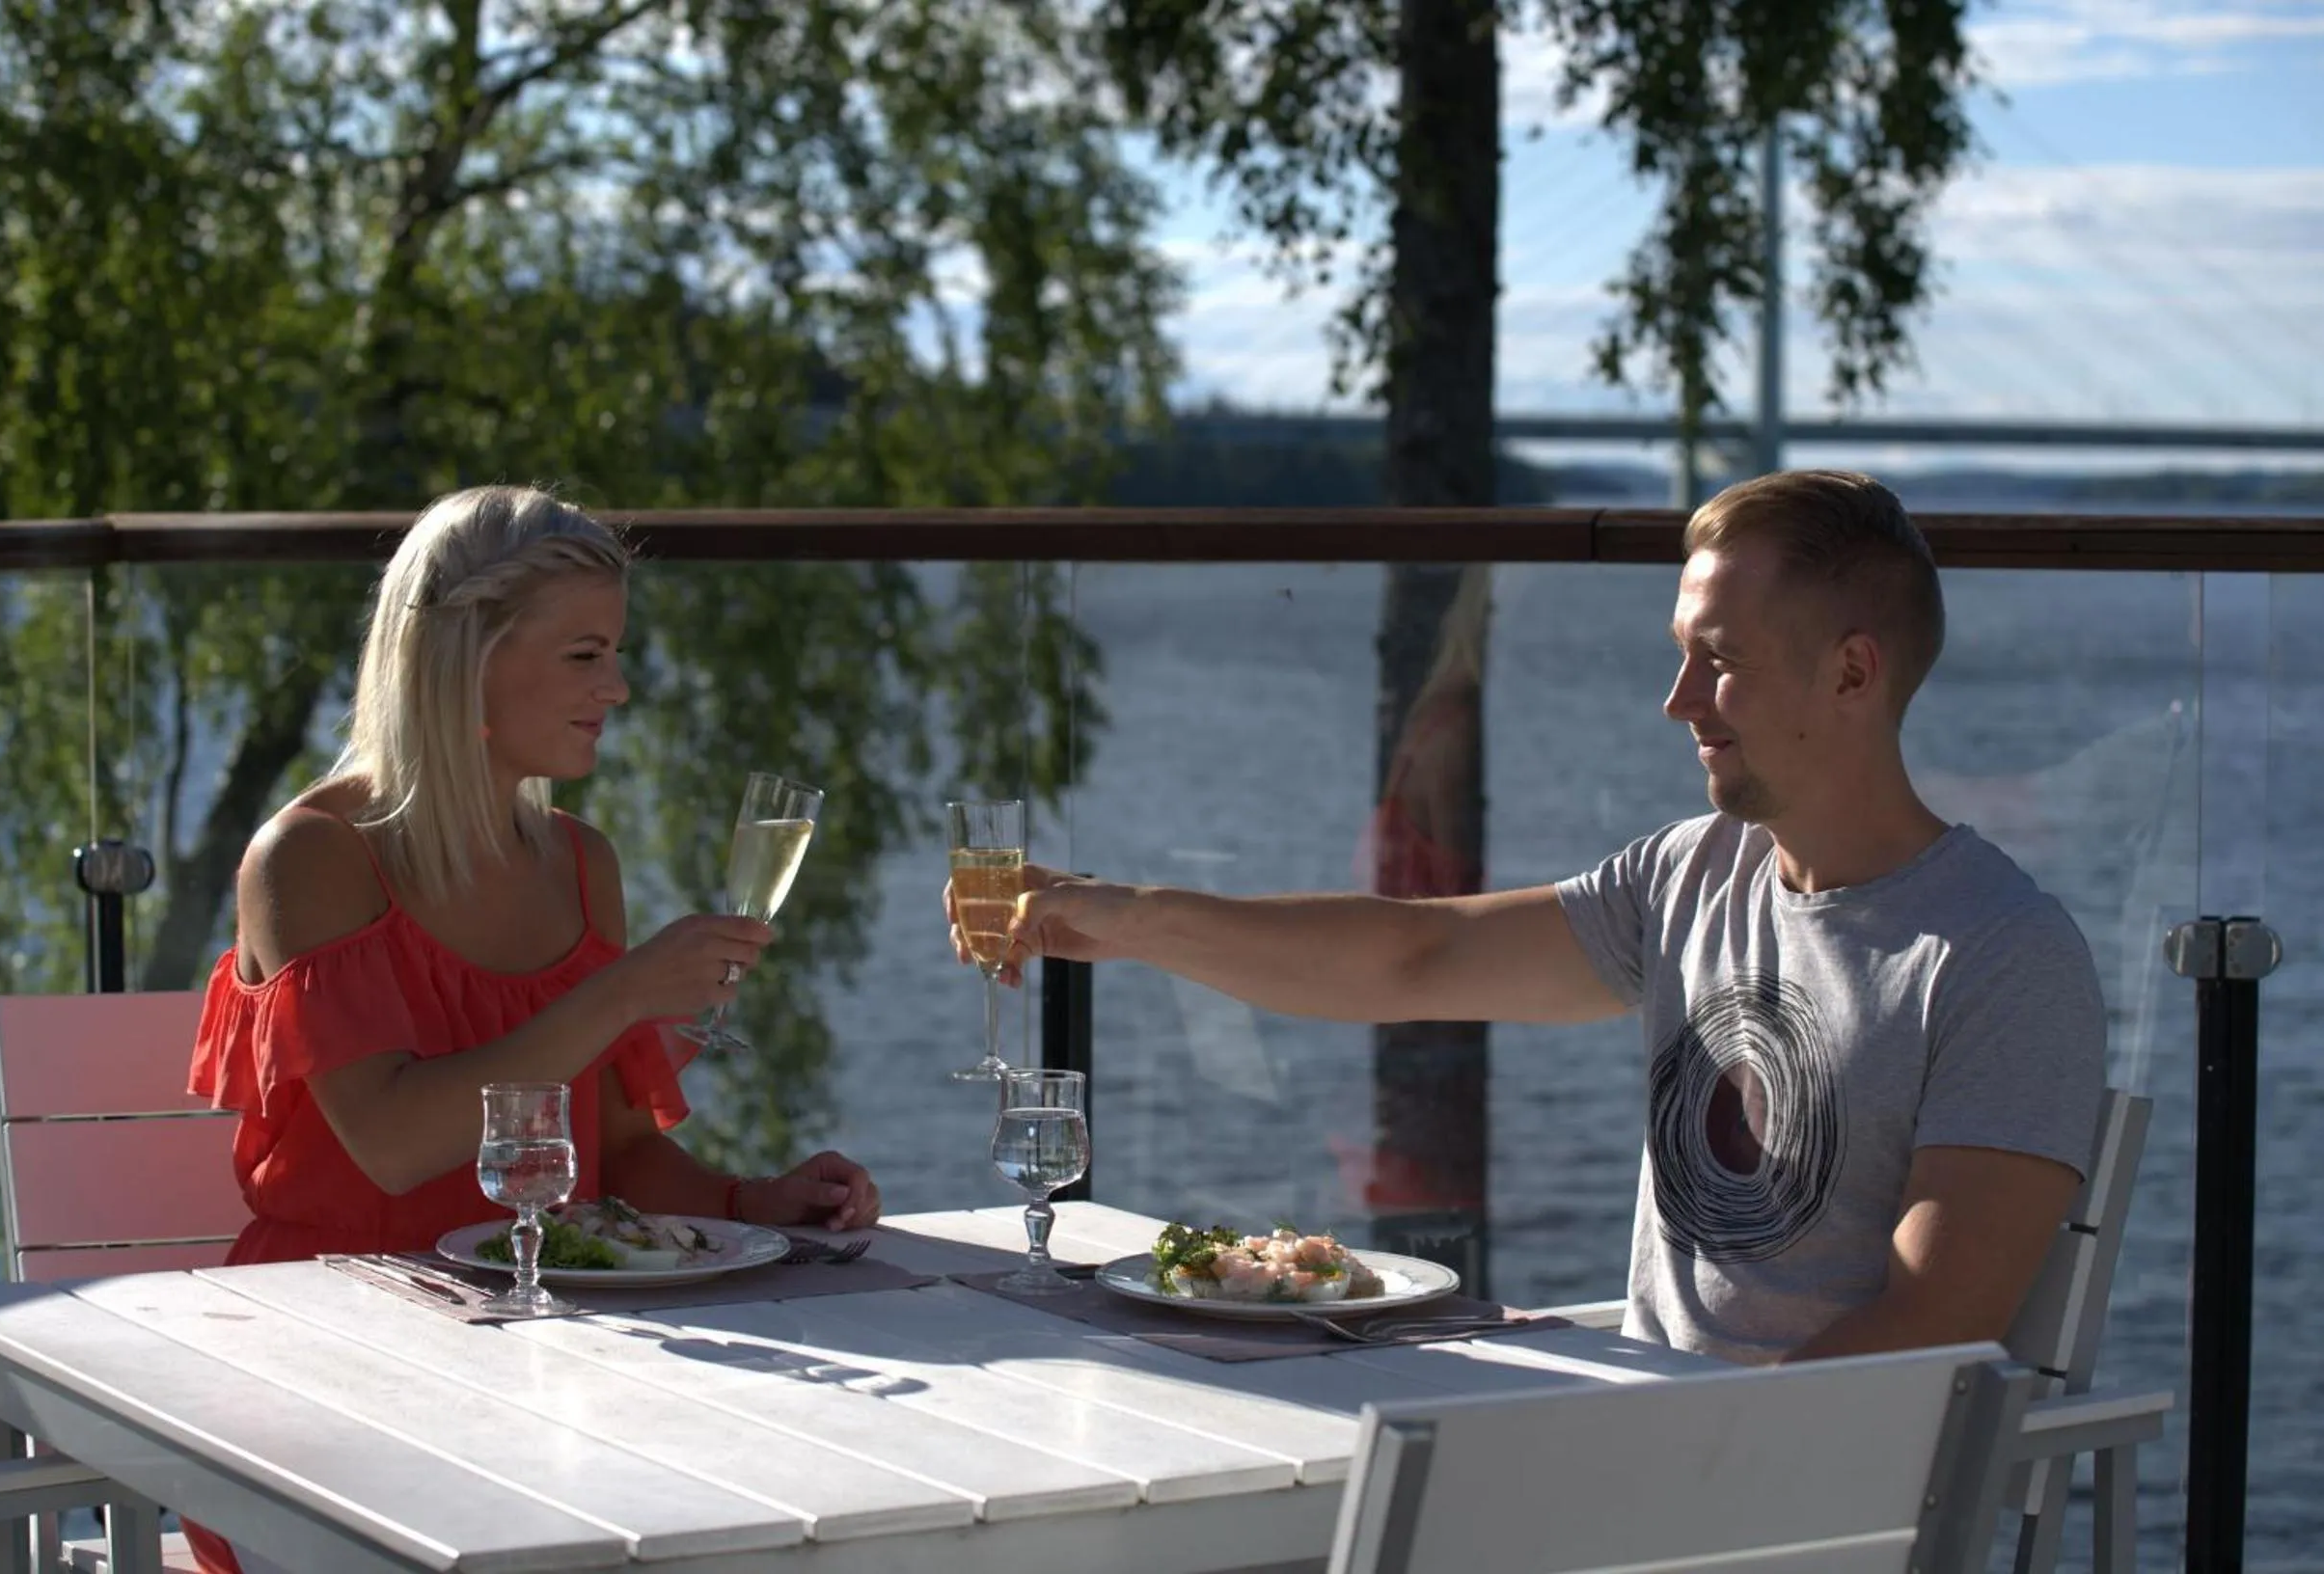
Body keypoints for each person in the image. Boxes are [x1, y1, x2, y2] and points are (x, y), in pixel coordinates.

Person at [946, 469, 2105, 1368]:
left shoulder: (2000, 957)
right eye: (1678, 659)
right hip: (1646, 1457)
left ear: (1853, 675)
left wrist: (1670, 1459)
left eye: (1718, 662)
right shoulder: (1693, 875)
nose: (1676, 703)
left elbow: (1933, 1325)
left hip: (1794, 1502)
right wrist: (1125, 918)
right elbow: (1417, 955)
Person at [185, 485, 881, 1571]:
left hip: (539, 1364)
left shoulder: (578, 861)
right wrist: (619, 994)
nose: (618, 687)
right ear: (464, 659)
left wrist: (755, 1204)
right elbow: (395, 1140)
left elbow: (619, 1152)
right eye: (584, 656)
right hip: (329, 1365)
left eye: (615, 654)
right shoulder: (313, 857)